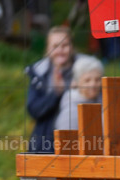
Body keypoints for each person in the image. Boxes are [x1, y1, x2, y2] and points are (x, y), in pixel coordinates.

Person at [26, 26, 81, 154]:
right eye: (55, 46)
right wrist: (56, 93)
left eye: (65, 45)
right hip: (45, 145)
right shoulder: (39, 73)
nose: (60, 51)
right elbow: (34, 110)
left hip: (80, 143)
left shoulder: (87, 71)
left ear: (72, 47)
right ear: (47, 49)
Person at [55, 55, 104, 131]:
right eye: (87, 80)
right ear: (77, 82)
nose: (93, 84)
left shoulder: (105, 101)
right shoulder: (71, 109)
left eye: (97, 80)